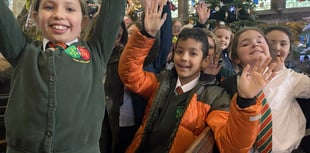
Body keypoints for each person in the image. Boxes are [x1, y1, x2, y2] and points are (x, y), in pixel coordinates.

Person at [118, 1, 275, 152]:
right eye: (179, 52)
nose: (184, 58)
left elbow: (231, 147)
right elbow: (129, 75)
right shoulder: (162, 82)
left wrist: (246, 101)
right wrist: (146, 34)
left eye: (193, 53)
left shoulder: (214, 97)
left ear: (205, 61)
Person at [0, 0, 125, 153]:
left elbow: (114, 8)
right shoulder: (23, 52)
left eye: (70, 9)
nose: (59, 15)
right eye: (49, 7)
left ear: (84, 21)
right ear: (35, 17)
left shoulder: (95, 53)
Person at [263, 26, 310, 152]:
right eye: (271, 43)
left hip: (284, 148)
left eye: (283, 44)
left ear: (289, 50)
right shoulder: (250, 75)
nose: (277, 48)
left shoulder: (294, 78)